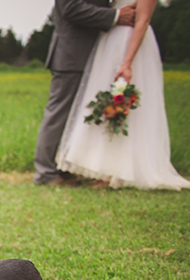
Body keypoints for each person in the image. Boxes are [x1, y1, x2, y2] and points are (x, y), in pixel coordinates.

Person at [56, 0, 190, 189]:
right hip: (110, 41)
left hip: (131, 44)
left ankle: (120, 172)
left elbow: (142, 21)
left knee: (125, 107)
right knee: (105, 104)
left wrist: (127, 63)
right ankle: (103, 169)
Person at [33, 0, 136, 186]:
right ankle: (46, 173)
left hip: (94, 53)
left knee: (78, 116)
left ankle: (63, 168)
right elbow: (70, 7)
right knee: (59, 114)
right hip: (72, 55)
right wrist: (116, 16)